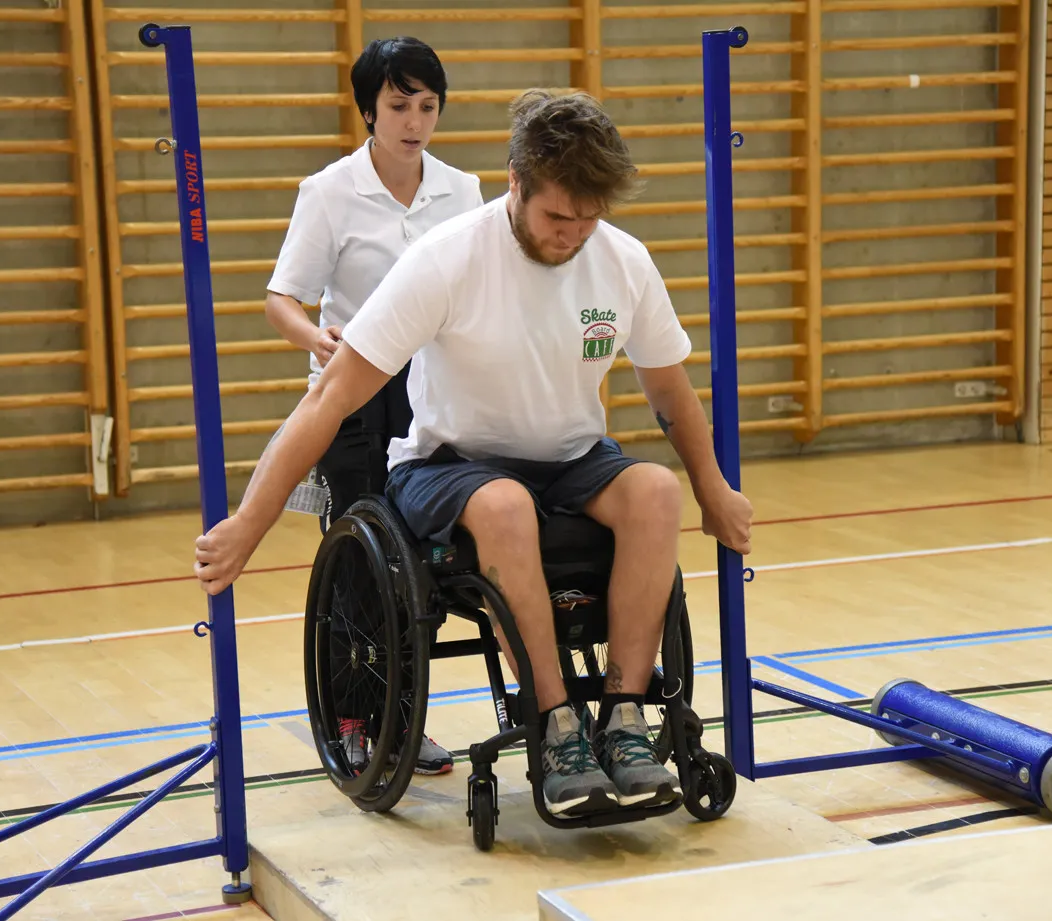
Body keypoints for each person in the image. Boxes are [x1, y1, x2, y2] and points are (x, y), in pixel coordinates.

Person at [200, 89, 754, 818]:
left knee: (656, 491)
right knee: (503, 503)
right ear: (515, 182)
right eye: (558, 216)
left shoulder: (622, 261)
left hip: (570, 459)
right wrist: (248, 522)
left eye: (590, 219)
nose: (574, 235)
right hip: (449, 464)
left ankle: (623, 719)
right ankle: (556, 727)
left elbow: (672, 395)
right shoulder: (447, 259)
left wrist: (713, 488)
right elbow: (327, 399)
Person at [259, 36, 482, 777]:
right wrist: (315, 337)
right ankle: (356, 719)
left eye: (427, 105)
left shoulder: (463, 190)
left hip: (436, 395)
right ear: (367, 110)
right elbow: (281, 298)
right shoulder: (329, 191)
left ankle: (405, 719)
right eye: (398, 105)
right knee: (361, 565)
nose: (414, 120)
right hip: (356, 393)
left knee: (426, 566)